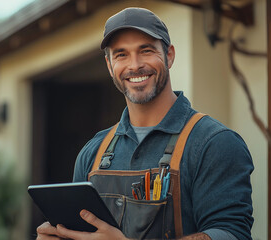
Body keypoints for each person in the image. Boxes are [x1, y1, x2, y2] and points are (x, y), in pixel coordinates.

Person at [36, 7, 253, 240]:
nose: (135, 65)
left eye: (146, 50)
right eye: (121, 54)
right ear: (110, 66)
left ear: (169, 55)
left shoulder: (215, 144)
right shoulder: (92, 153)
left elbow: (232, 234)